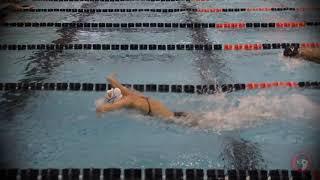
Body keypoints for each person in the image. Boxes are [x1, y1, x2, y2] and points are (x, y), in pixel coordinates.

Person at [96, 74, 189, 119]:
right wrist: (111, 78)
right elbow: (113, 81)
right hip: (172, 114)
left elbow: (103, 108)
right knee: (197, 119)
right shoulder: (128, 94)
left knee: (197, 122)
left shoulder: (127, 100)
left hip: (171, 118)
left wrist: (101, 110)